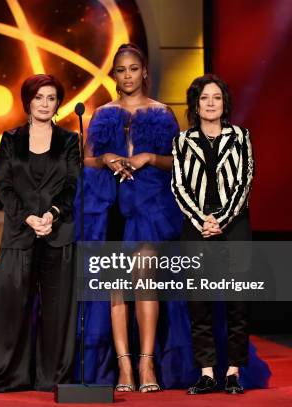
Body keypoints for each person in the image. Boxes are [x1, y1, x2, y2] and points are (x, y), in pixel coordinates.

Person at [79, 43, 182, 392]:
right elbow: (87, 160)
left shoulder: (163, 113)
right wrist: (107, 157)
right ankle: (124, 368)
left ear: (144, 72)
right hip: (109, 206)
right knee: (117, 288)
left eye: (133, 68)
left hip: (150, 208)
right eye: (121, 69)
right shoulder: (103, 113)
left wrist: (150, 157)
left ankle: (147, 364)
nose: (127, 75)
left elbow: (180, 162)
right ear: (114, 75)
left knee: (145, 280)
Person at [0, 74, 80, 392]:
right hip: (20, 233)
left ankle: (50, 376)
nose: (45, 104)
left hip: (58, 231)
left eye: (51, 98)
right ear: (28, 102)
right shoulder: (11, 139)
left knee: (56, 308)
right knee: (13, 304)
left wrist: (51, 215)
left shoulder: (69, 140)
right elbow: (3, 185)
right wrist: (28, 218)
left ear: (58, 103)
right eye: (39, 97)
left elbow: (72, 185)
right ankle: (9, 374)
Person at [172, 74, 253, 395]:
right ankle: (206, 372)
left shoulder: (241, 136)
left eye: (216, 98)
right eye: (204, 98)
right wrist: (201, 219)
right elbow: (178, 186)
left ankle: (233, 371)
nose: (210, 103)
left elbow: (245, 182)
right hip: (196, 225)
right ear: (195, 103)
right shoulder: (182, 141)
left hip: (233, 224)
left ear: (224, 103)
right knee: (199, 302)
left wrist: (220, 219)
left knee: (238, 303)